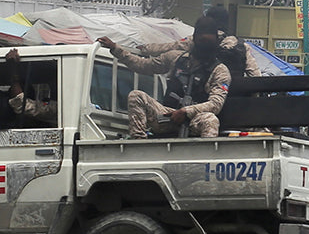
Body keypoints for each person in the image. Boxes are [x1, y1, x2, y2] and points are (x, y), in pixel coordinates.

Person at [98, 8, 244, 139]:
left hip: (195, 118)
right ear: (194, 38)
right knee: (136, 96)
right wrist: (116, 49)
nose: (204, 45)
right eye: (201, 40)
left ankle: (204, 158)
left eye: (208, 41)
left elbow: (215, 104)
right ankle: (138, 144)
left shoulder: (220, 70)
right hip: (168, 116)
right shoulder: (176, 58)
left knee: (211, 120)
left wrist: (186, 112)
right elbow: (143, 65)